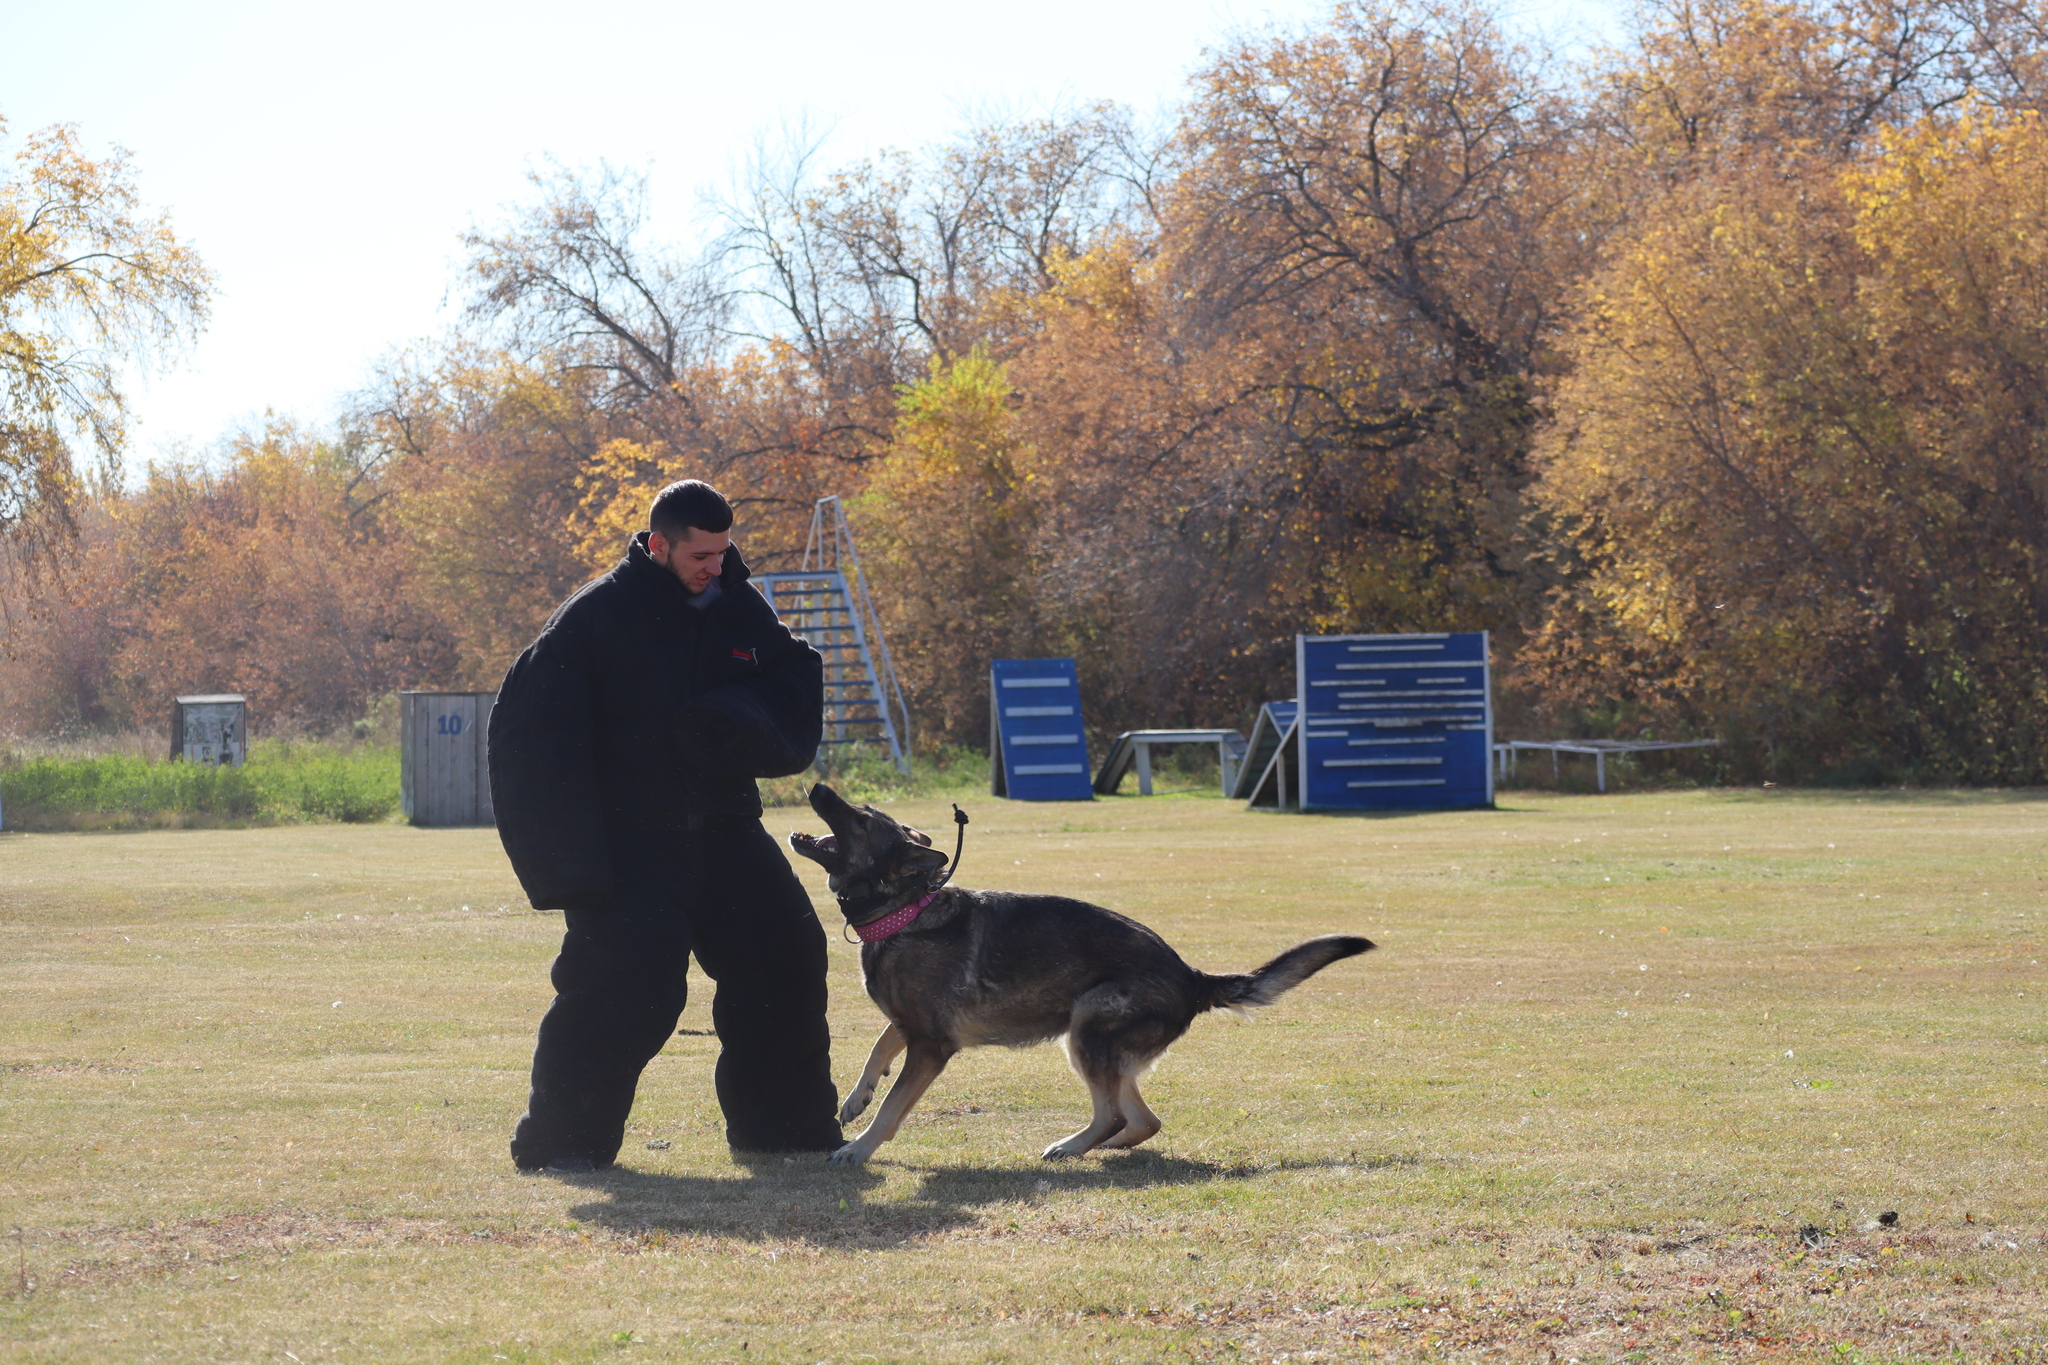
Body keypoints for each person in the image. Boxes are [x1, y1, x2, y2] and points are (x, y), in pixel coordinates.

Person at [487, 478, 842, 1172]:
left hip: (727, 826)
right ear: (659, 545)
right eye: (700, 555)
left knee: (786, 960)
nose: (716, 567)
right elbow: (534, 736)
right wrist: (569, 865)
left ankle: (786, 1133)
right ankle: (563, 1146)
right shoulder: (595, 619)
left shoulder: (738, 608)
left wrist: (734, 720)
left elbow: (790, 678)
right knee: (628, 985)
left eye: (723, 552)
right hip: (631, 840)